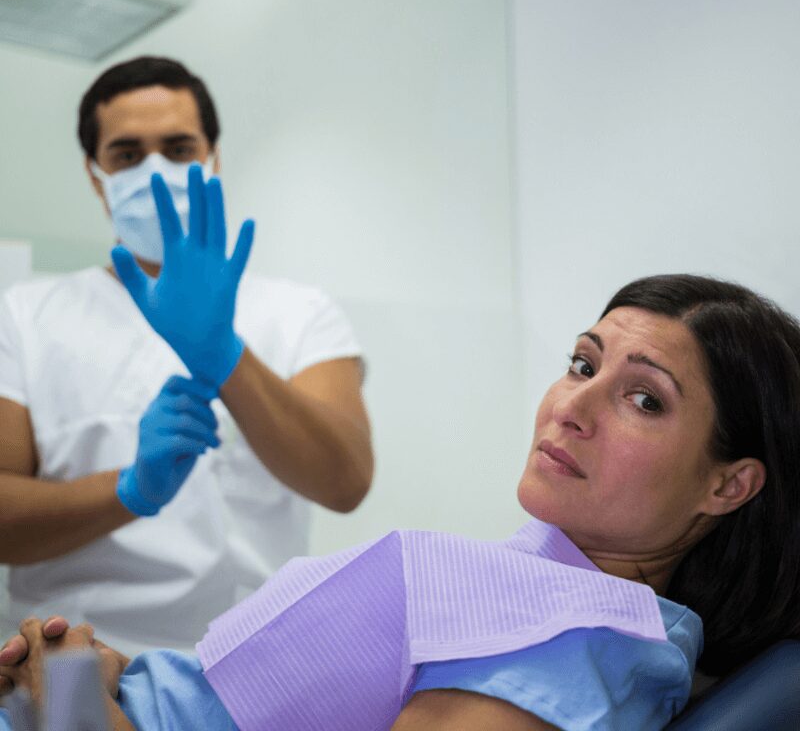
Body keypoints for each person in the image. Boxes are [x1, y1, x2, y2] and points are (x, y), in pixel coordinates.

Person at [2, 273, 800, 730]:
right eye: (583, 365)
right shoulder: (542, 595)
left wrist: (67, 704)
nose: (573, 407)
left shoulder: (578, 642)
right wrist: (117, 676)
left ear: (728, 484)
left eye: (645, 400)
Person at [0, 56, 374, 657]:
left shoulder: (300, 311)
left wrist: (223, 354)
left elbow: (346, 482)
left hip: (257, 666)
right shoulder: (22, 315)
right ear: (96, 175)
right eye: (126, 154)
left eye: (178, 149)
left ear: (213, 157)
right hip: (74, 667)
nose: (155, 170)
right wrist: (130, 490)